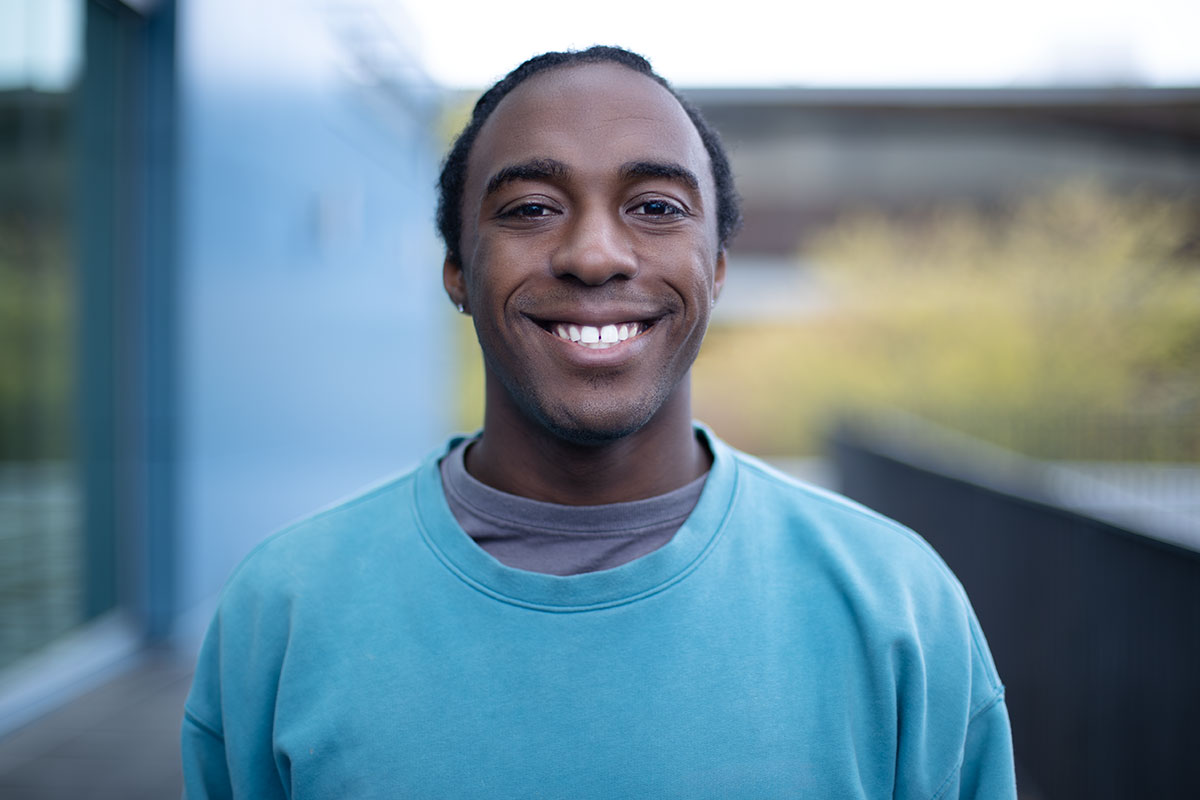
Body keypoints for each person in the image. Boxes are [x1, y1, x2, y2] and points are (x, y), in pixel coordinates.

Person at [181, 46, 1017, 798]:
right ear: (456, 272)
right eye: (531, 208)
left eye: (655, 207)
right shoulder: (284, 611)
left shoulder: (897, 607)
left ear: (716, 267)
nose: (594, 254)